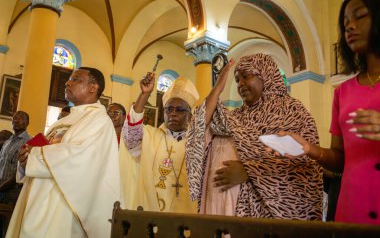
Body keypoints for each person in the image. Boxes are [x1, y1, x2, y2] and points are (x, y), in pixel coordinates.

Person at [273, 0, 380, 225]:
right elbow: (341, 158)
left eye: (360, 16)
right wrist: (309, 148)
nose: (350, 26)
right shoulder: (343, 92)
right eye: (345, 23)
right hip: (353, 209)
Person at [186, 53, 323, 219]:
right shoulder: (235, 116)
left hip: (262, 217)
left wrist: (250, 171)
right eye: (237, 80)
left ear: (266, 75)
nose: (240, 84)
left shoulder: (291, 111)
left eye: (246, 76)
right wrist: (218, 88)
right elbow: (198, 127)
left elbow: (304, 167)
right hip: (221, 209)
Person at [6, 67, 120, 237]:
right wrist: (25, 159)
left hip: (62, 204)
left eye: (76, 79)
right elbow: (42, 150)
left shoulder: (99, 120)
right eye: (69, 79)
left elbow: (80, 157)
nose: (68, 82)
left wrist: (35, 155)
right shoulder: (62, 121)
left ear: (93, 87)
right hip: (37, 197)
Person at [120, 73, 199, 213]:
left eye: (180, 109)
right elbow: (131, 138)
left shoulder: (198, 143)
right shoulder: (151, 136)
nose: (173, 113)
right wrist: (144, 95)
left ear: (191, 114)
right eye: (169, 109)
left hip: (187, 213)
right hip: (150, 210)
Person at [0, 112, 30, 236]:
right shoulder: (7, 141)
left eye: (21, 118)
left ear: (27, 123)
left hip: (13, 192)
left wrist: (2, 188)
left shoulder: (29, 142)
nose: (17, 120)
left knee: (8, 228)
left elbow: (22, 171)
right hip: (1, 189)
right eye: (15, 118)